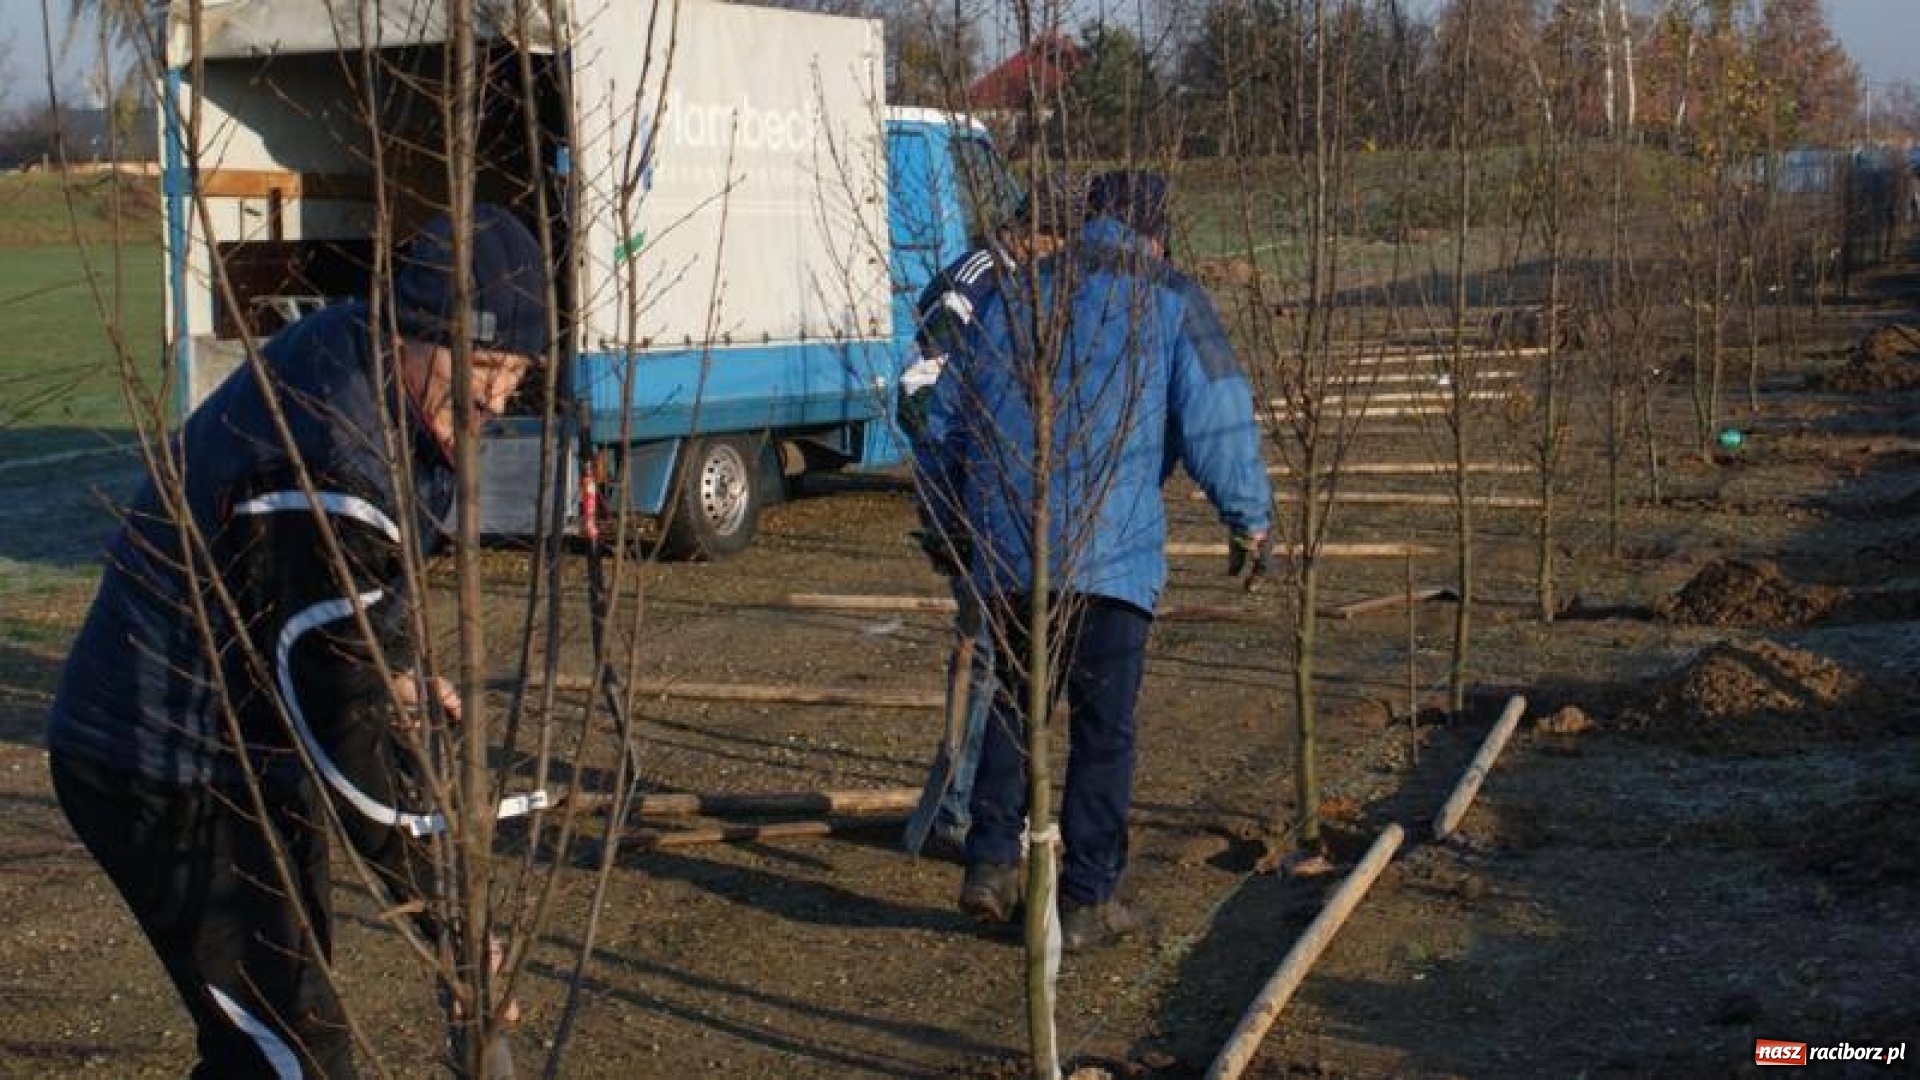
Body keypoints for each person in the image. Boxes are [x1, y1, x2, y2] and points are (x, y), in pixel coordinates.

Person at [45, 204, 547, 1077]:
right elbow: (342, 725)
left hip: (247, 745)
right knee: (293, 1054)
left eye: (518, 376)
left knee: (268, 1037)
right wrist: (448, 919)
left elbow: (344, 607)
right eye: (486, 366)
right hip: (160, 758)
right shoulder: (327, 458)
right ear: (416, 328)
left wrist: (391, 666)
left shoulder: (378, 375)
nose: (495, 401)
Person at [917, 170, 1272, 951]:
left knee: (1016, 706)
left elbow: (949, 415)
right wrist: (1249, 521)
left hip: (1011, 547)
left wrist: (947, 519)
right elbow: (1218, 418)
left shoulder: (1018, 295)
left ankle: (990, 865)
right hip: (1112, 552)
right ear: (1155, 231)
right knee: (1104, 729)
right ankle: (1085, 901)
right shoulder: (1173, 297)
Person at [898, 177, 1083, 858]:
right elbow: (919, 391)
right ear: (1035, 233)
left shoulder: (1023, 286)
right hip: (971, 497)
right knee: (988, 656)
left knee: (998, 651)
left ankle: (967, 805)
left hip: (1004, 496)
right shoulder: (975, 283)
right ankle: (959, 811)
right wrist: (955, 494)